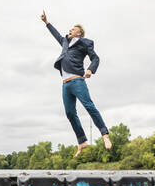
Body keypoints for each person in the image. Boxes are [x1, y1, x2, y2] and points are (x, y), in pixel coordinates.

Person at [40, 11, 112, 157]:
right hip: (65, 84)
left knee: (89, 106)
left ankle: (104, 134)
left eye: (73, 29)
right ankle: (82, 141)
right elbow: (57, 35)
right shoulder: (65, 42)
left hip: (77, 80)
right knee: (70, 113)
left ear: (79, 33)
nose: (70, 30)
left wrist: (90, 70)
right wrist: (47, 22)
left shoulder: (85, 43)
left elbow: (95, 58)